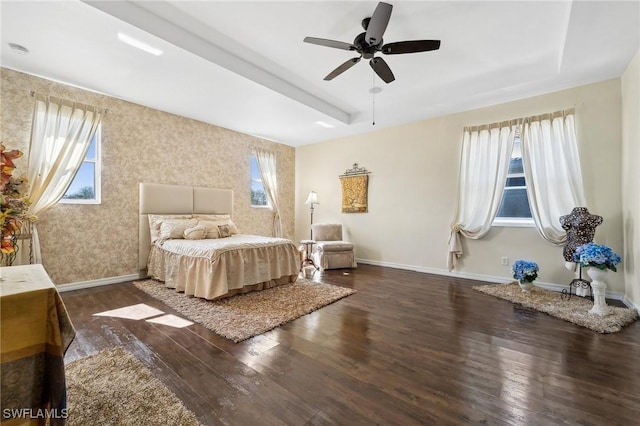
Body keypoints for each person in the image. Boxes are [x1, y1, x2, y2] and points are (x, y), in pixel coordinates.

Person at [559, 207, 602, 296]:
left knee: (582, 270)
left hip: (575, 249)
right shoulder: (594, 218)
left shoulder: (565, 218)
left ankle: (582, 291)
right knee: (581, 269)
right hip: (581, 248)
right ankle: (582, 290)